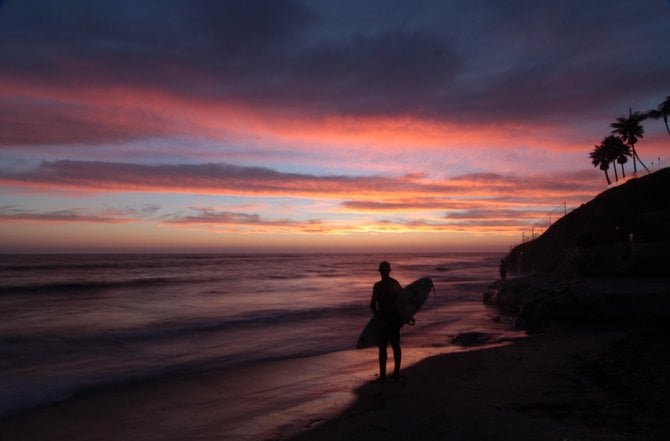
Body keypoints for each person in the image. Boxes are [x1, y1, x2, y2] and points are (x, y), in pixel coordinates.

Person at [369, 261, 402, 381]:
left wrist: (377, 316)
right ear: (389, 271)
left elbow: (372, 305)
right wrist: (407, 316)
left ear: (380, 272)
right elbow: (403, 302)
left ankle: (382, 375)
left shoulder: (377, 286)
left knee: (382, 348)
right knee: (395, 346)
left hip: (382, 320)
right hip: (394, 318)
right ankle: (396, 372)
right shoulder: (395, 283)